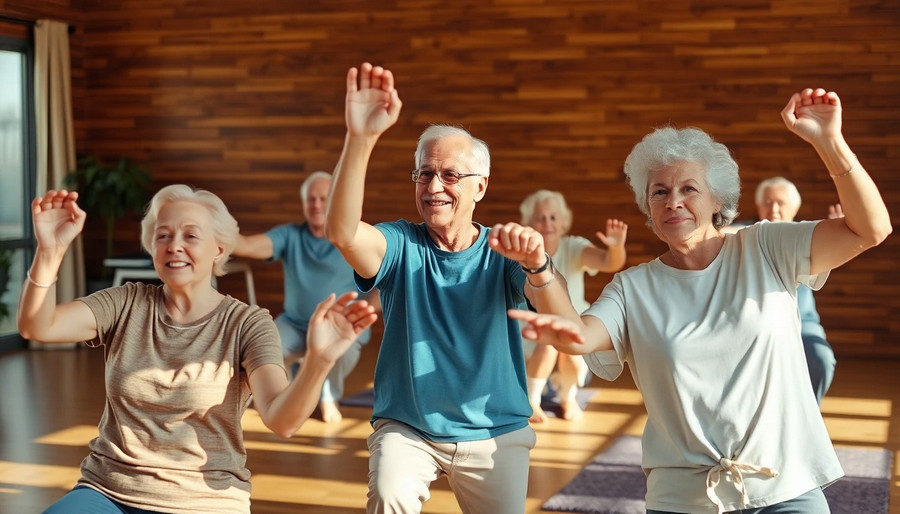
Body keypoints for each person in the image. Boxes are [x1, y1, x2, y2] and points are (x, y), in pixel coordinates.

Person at [509, 88, 891, 513]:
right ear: (648, 208)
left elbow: (869, 230)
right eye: (658, 192)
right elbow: (579, 336)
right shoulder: (633, 288)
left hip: (786, 485)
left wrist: (829, 142)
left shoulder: (765, 247)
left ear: (718, 200)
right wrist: (540, 268)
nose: (673, 201)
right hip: (684, 500)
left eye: (689, 188)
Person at [18, 185, 377, 513]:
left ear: (219, 249)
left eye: (191, 235)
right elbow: (37, 325)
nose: (175, 244)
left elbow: (282, 421)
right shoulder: (125, 303)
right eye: (163, 235)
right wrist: (51, 250)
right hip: (108, 490)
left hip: (204, 499)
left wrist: (318, 361)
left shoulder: (247, 324)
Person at [326, 63, 575, 514]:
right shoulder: (400, 244)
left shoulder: (504, 250)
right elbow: (343, 232)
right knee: (388, 494)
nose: (434, 186)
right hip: (408, 428)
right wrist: (360, 138)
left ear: (480, 187)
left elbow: (568, 327)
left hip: (495, 430)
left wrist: (538, 263)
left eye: (450, 175)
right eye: (424, 174)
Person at [232, 170, 378, 423]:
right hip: (296, 324)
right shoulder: (290, 235)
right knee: (261, 346)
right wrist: (212, 231)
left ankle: (328, 396)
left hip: (339, 327)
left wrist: (366, 311)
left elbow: (385, 281)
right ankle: (282, 391)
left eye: (323, 198)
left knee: (341, 351)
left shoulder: (356, 236)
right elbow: (248, 245)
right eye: (311, 199)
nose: (317, 205)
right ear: (303, 204)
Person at [518, 189, 628, 422]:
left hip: (574, 350)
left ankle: (567, 398)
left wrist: (616, 247)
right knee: (549, 341)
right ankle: (531, 401)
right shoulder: (523, 254)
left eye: (553, 217)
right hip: (531, 353)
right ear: (530, 222)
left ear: (562, 223)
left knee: (567, 338)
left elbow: (609, 262)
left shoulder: (574, 247)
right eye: (541, 217)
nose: (547, 223)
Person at [754, 177, 840, 404]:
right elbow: (719, 235)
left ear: (794, 208)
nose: (773, 209)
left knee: (820, 357)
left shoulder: (807, 236)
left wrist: (837, 235)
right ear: (758, 206)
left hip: (803, 324)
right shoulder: (745, 234)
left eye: (780, 203)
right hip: (756, 325)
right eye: (767, 202)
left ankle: (806, 416)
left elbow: (837, 246)